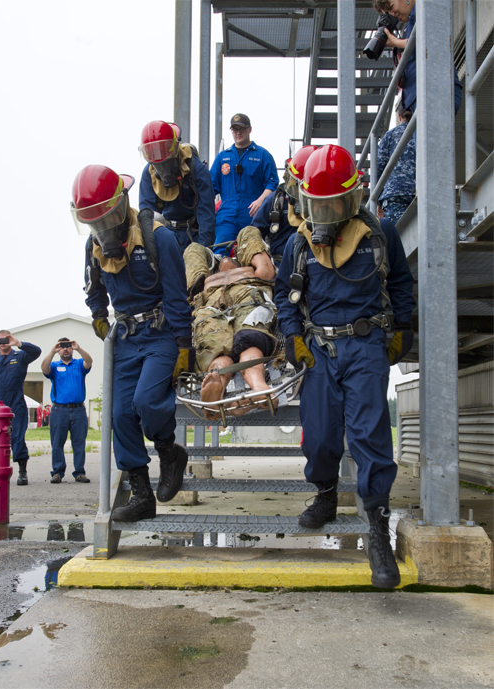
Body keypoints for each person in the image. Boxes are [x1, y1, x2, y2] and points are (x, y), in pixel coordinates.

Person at [274, 144, 416, 588]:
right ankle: (326, 494)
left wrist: (402, 329)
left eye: (337, 203)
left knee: (370, 434)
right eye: (320, 205)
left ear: (353, 198)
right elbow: (284, 294)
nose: (330, 212)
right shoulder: (298, 243)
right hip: (319, 349)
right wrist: (294, 337)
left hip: (366, 345)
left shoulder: (380, 233)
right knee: (318, 436)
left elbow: (399, 283)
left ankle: (377, 526)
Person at [72, 164, 194, 521]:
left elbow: (176, 297)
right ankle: (141, 494)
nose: (100, 229)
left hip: (160, 334)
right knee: (119, 413)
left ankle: (170, 452)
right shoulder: (93, 247)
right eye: (92, 222)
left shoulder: (160, 238)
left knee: (146, 401)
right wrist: (98, 314)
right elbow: (93, 289)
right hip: (125, 339)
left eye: (104, 219)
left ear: (120, 204)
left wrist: (183, 345)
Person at [184, 226, 277, 418]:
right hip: (211, 301)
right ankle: (216, 383)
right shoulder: (205, 281)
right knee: (215, 345)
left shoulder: (251, 270)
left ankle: (258, 386)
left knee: (249, 337)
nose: (226, 259)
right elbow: (195, 253)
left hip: (248, 291)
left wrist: (249, 247)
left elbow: (267, 273)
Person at [373, 0, 463, 115]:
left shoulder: (425, 9)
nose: (393, 13)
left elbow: (431, 41)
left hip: (434, 91)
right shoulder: (410, 24)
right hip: (422, 95)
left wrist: (396, 42)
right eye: (388, 12)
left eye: (391, 7)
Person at [139, 120, 215, 251]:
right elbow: (147, 215)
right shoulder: (149, 173)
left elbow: (206, 213)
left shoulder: (197, 169)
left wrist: (204, 249)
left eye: (162, 151)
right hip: (166, 234)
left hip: (194, 233)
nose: (159, 159)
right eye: (154, 153)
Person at [210, 113, 279, 253]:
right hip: (227, 216)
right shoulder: (222, 157)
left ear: (250, 129)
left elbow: (272, 184)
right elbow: (210, 188)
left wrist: (260, 201)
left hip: (253, 216)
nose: (238, 132)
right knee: (219, 254)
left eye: (241, 128)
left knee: (253, 254)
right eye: (234, 129)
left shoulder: (263, 155)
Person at [251, 147, 318, 265]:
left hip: (313, 263)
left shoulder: (324, 205)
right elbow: (255, 231)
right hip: (278, 263)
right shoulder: (275, 201)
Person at [41, 338, 93, 484]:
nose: (66, 349)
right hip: (59, 410)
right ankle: (57, 472)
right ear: (59, 350)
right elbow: (44, 368)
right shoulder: (54, 366)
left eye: (68, 347)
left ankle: (79, 472)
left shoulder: (78, 364)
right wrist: (52, 351)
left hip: (78, 410)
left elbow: (89, 361)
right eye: (62, 347)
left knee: (79, 443)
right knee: (57, 442)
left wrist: (79, 348)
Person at [0, 331, 41, 486]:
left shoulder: (20, 356)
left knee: (17, 438)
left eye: (5, 338)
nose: (3, 342)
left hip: (16, 403)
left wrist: (18, 343)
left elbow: (36, 351)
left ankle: (22, 472)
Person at [377, 100, 416, 225]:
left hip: (395, 194)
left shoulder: (390, 135)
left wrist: (378, 201)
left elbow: (379, 169)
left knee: (398, 238)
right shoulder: (426, 133)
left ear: (399, 117)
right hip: (423, 191)